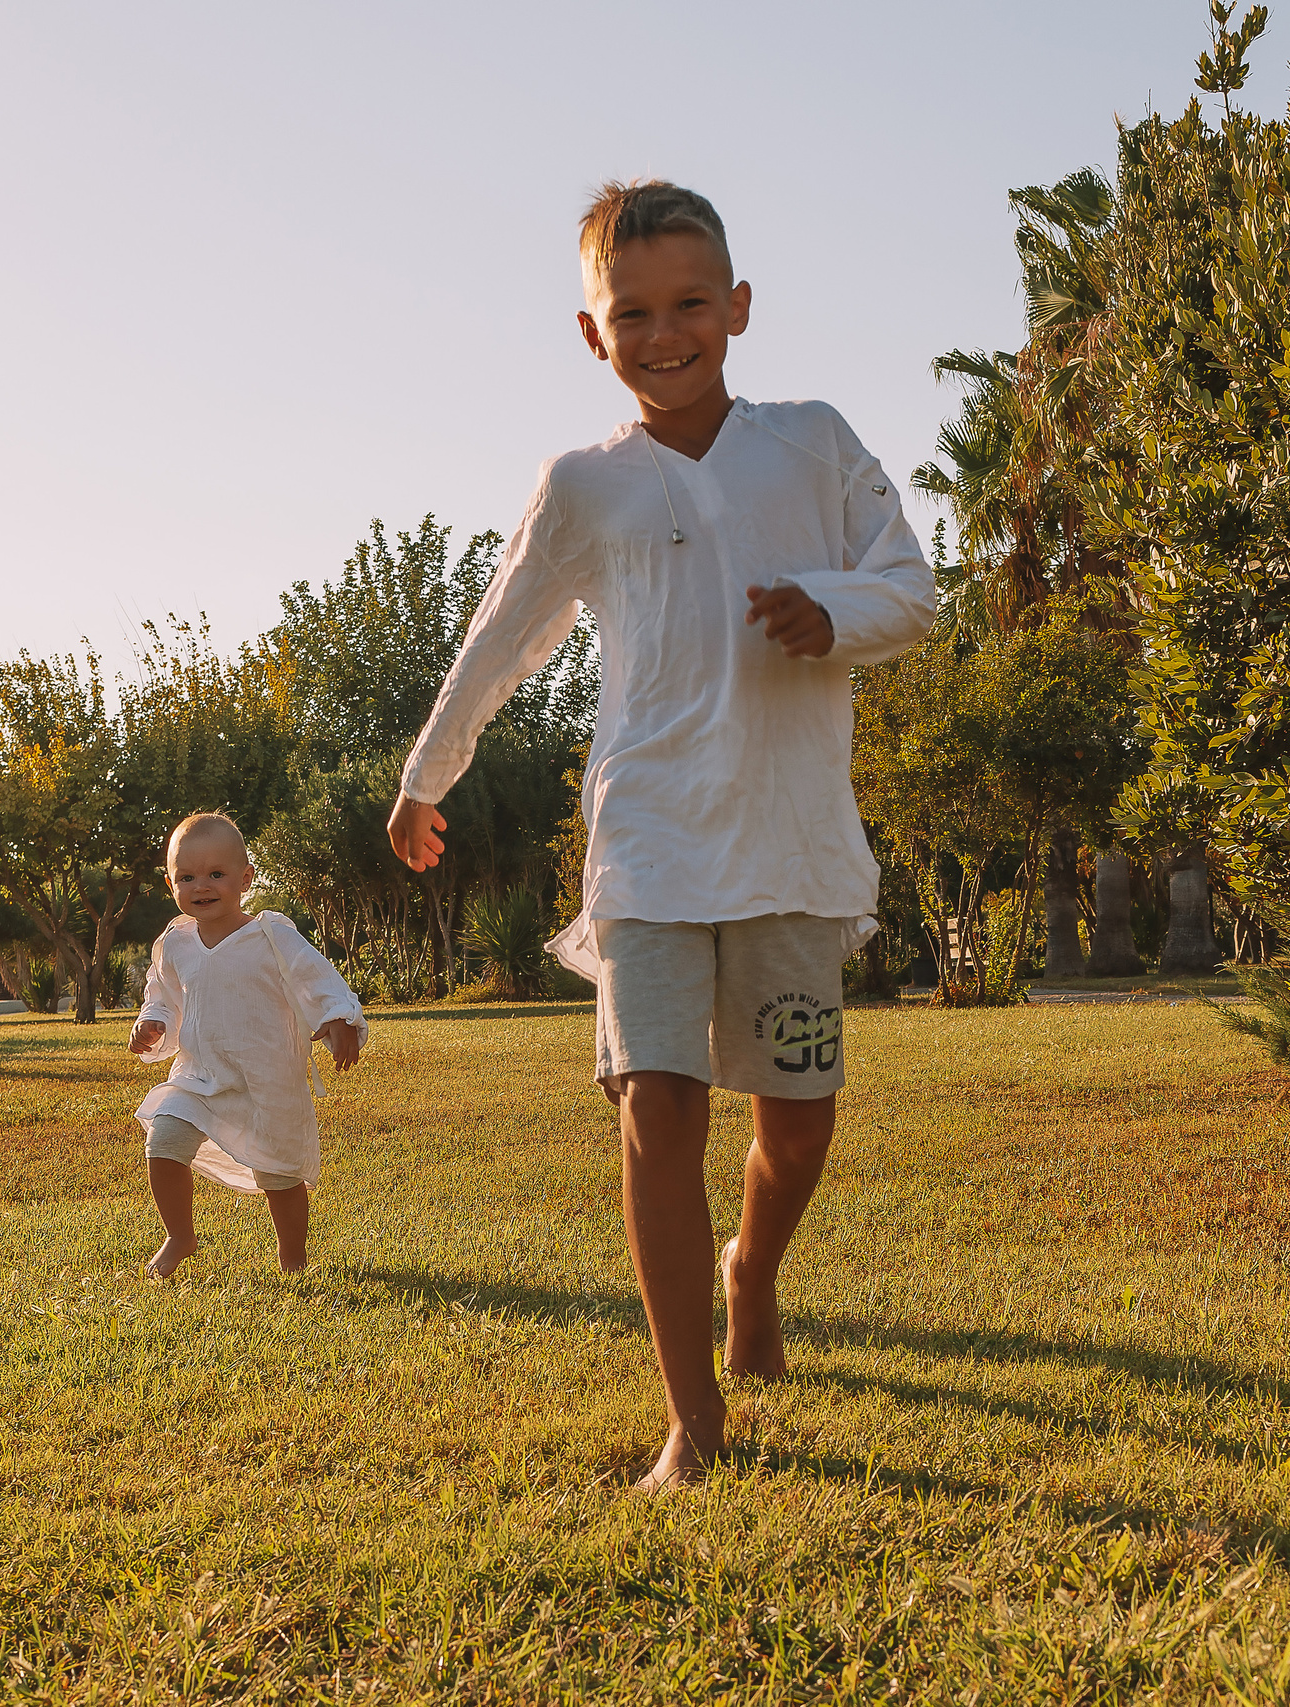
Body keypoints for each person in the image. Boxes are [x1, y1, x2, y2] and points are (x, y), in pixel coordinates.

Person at [386, 180, 935, 1491]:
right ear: (594, 335)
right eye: (632, 311)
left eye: (691, 302)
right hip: (648, 845)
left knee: (797, 1123)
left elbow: (911, 587)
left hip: (792, 845)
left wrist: (831, 605)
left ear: (738, 308)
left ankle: (753, 1270)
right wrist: (426, 771)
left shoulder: (811, 443)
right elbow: (503, 632)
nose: (664, 330)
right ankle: (692, 1418)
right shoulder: (584, 484)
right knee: (659, 1112)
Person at [127, 813, 366, 1278]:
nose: (203, 885)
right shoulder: (176, 942)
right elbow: (164, 994)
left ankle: (293, 1258)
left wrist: (338, 1017)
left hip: (265, 1081)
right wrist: (152, 1021)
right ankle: (180, 1235)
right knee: (163, 1141)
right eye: (188, 876)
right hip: (199, 1076)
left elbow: (315, 976)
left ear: (245, 878)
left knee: (280, 1175)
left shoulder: (269, 935)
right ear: (170, 881)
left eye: (217, 874)